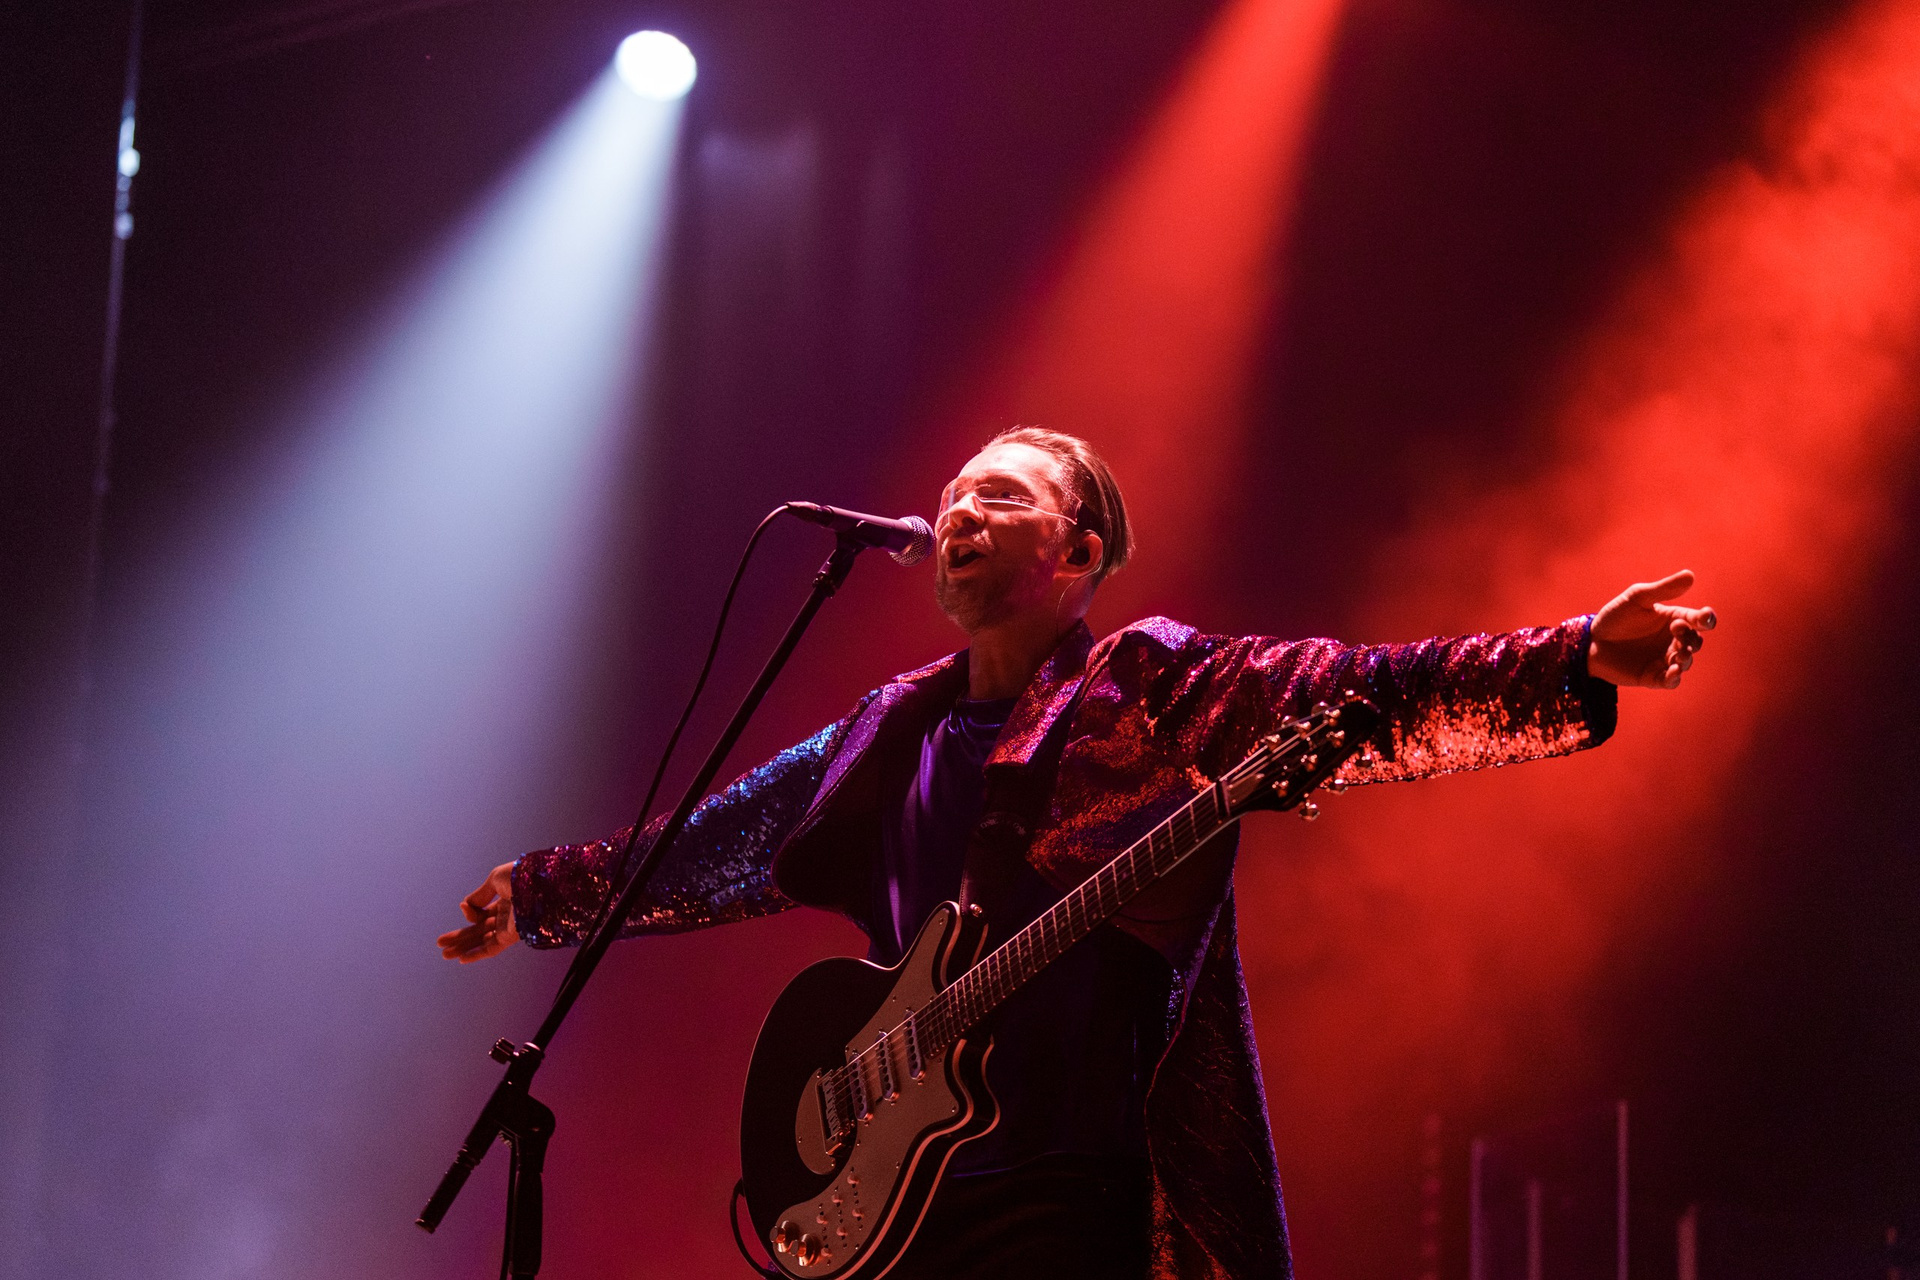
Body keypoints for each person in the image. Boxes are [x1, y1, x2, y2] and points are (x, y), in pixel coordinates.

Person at [439, 427, 1714, 1280]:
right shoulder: (893, 723)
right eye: (954, 493)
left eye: (999, 494)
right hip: (887, 1191)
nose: (959, 508)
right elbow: (714, 843)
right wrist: (541, 892)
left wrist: (1569, 656)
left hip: (1062, 1194)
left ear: (1080, 551)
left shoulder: (1140, 683)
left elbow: (1357, 689)